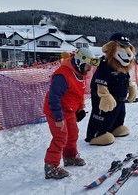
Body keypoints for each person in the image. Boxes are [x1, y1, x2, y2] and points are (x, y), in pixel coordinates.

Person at [43, 48, 99, 179]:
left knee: (73, 134)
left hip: (69, 111)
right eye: (88, 66)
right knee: (60, 137)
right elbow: (54, 97)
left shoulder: (80, 74)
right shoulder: (62, 75)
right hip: (55, 111)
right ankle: (51, 166)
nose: (89, 69)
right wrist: (58, 117)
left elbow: (79, 94)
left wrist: (80, 109)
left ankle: (70, 156)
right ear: (79, 62)